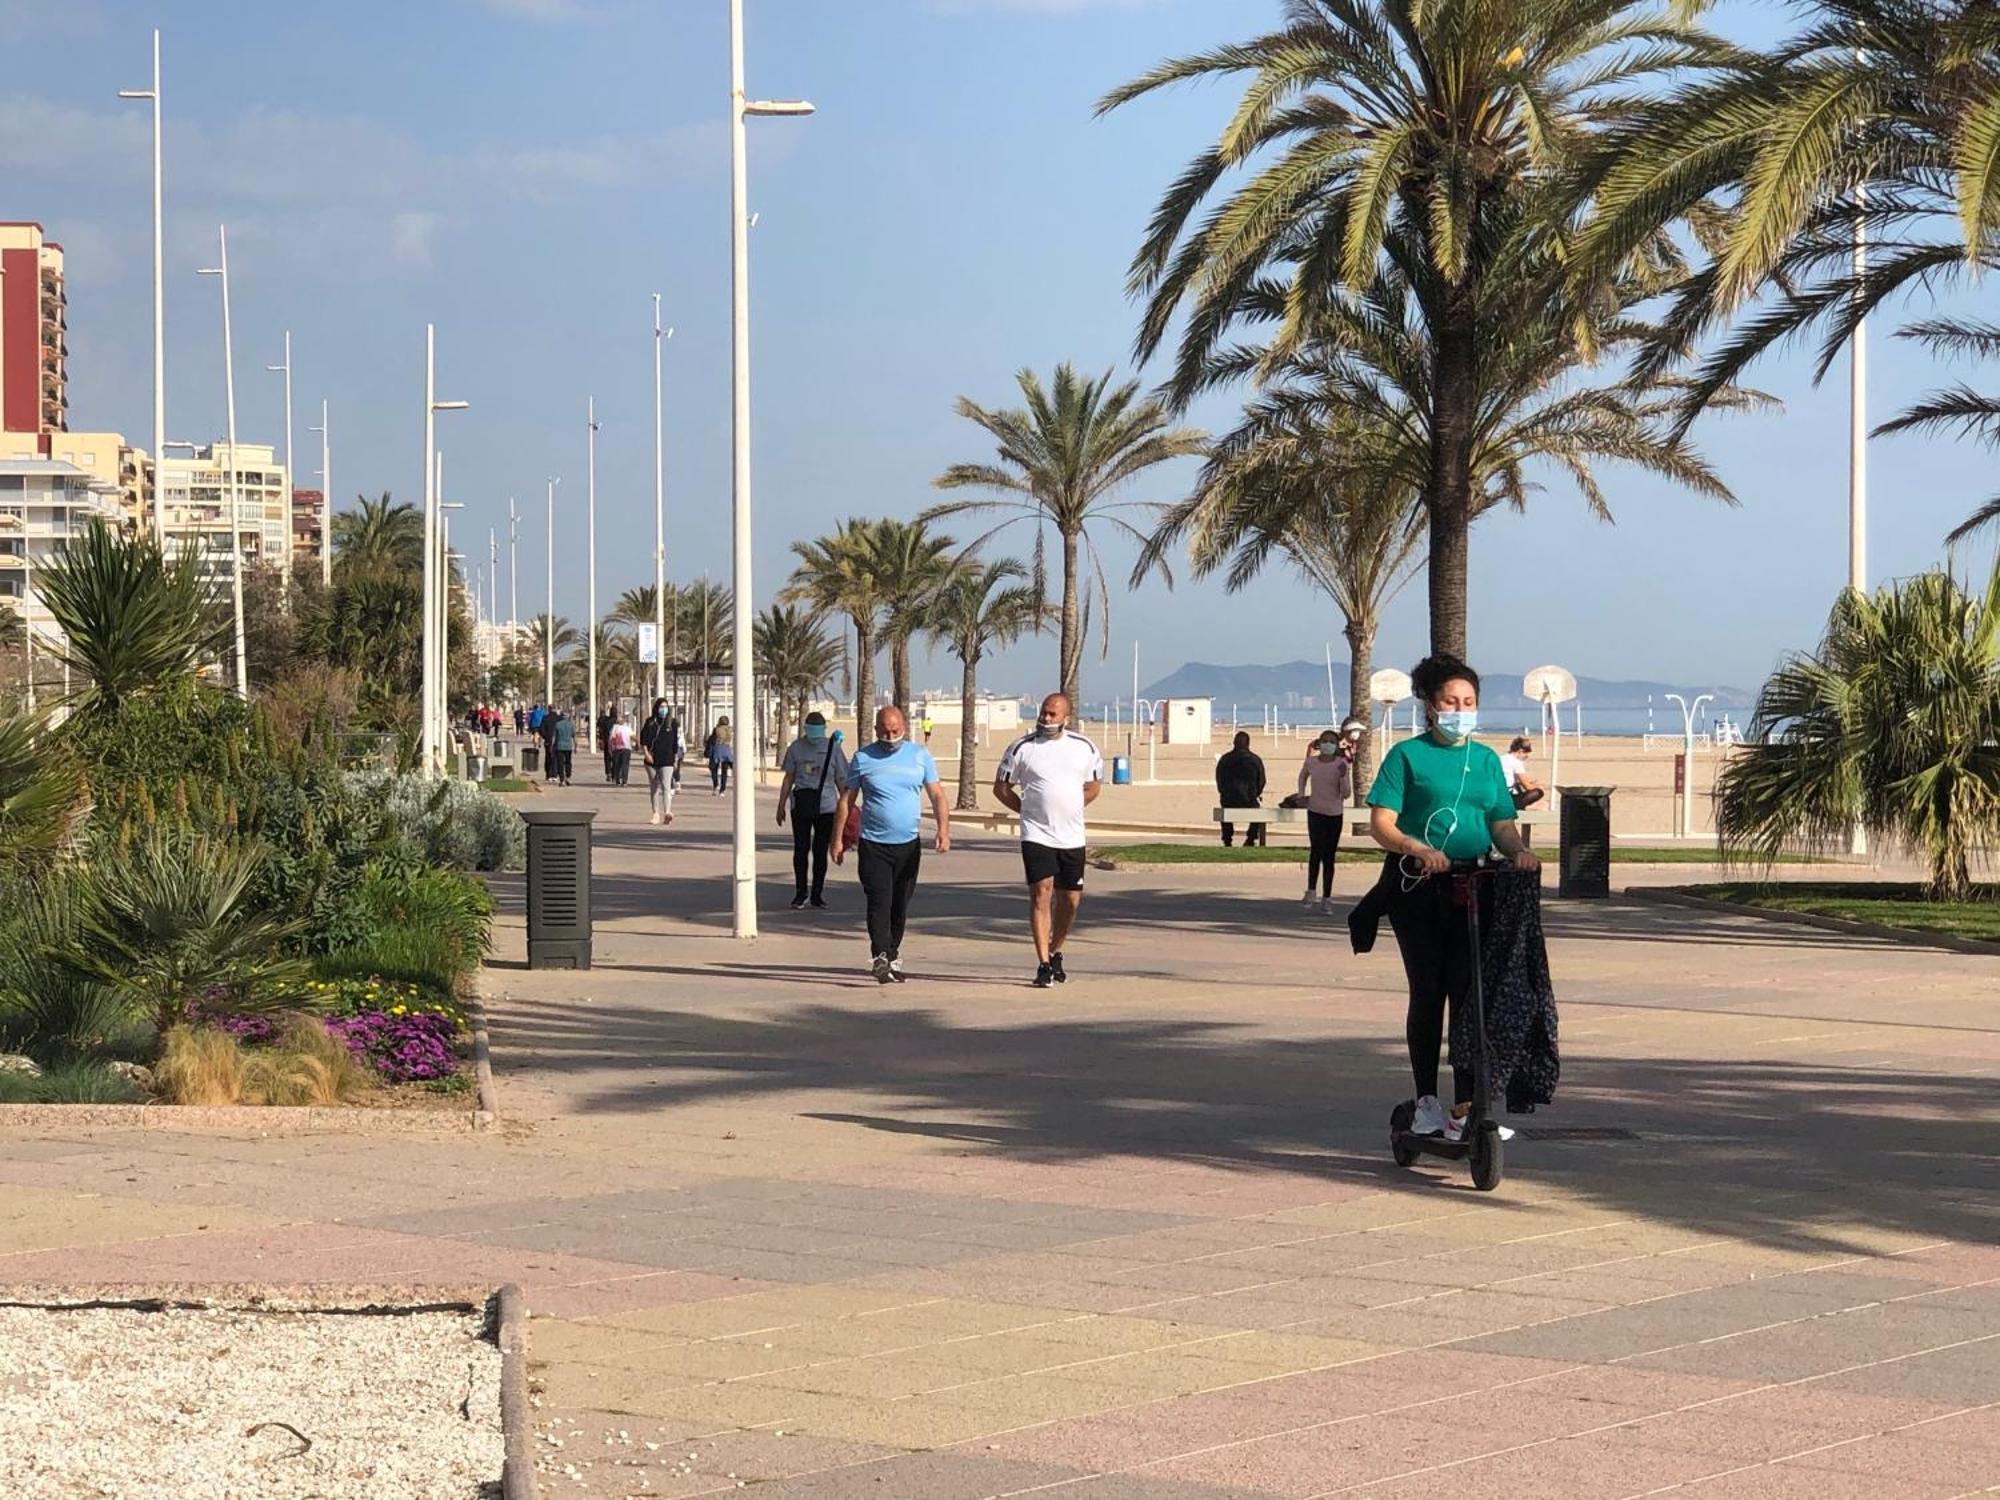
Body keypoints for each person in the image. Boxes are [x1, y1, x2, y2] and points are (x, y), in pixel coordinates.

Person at [1365, 654, 1539, 1142]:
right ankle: (1425, 1102)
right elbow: (1382, 822)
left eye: (1468, 702)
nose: (1459, 710)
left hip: (1474, 887)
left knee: (1470, 996)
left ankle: (1466, 1105)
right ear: (1430, 706)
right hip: (1417, 889)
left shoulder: (1484, 760)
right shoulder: (1407, 756)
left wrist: (1519, 852)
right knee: (1430, 990)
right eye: (1450, 702)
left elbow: (1500, 823)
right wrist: (1417, 848)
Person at [832, 706, 950, 984]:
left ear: (905, 729)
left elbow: (937, 795)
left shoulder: (920, 756)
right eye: (884, 731)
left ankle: (892, 954)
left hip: (908, 845)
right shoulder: (863, 758)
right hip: (873, 844)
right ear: (876, 730)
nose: (890, 736)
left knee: (899, 905)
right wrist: (837, 839)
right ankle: (880, 956)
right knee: (879, 901)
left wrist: (943, 830)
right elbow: (847, 800)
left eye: (895, 731)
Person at [994, 693, 1103, 987]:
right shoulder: (1022, 748)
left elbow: (1094, 786)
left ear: (1066, 718)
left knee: (1070, 900)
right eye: (1044, 712)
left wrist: (1074, 805)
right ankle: (1042, 963)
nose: (1046, 718)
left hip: (1071, 836)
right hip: (1036, 834)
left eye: (1053, 714)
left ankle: (1056, 951)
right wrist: (1025, 810)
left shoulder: (1084, 748)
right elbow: (1001, 787)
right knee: (1041, 892)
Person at [777, 712, 848, 910]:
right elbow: (789, 778)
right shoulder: (795, 748)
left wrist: (847, 807)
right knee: (801, 849)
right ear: (806, 728)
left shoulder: (833, 749)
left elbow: (842, 781)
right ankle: (801, 892)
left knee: (819, 851)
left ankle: (817, 893)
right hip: (801, 805)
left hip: (826, 808)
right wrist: (781, 805)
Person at [1297, 720, 1360, 910]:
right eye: (1324, 741)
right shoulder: (1312, 762)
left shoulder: (1341, 764)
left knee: (1329, 855)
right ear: (1319, 743)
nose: (1327, 745)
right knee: (1316, 851)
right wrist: (1301, 796)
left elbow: (1347, 793)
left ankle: (1327, 897)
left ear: (1336, 745)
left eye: (1331, 742)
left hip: (1334, 813)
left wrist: (1343, 776)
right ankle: (1311, 891)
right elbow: (1302, 776)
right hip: (1315, 811)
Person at [1215, 731, 1267, 847]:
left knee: (1225, 805)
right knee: (1258, 810)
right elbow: (1262, 781)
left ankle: (1227, 839)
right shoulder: (1255, 760)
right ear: (1248, 744)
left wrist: (1224, 792)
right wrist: (1256, 793)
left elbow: (1219, 780)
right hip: (1249, 800)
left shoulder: (1225, 759)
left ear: (1234, 743)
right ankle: (1251, 837)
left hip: (1228, 800)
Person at [640, 699, 680, 826]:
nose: (664, 709)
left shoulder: (672, 723)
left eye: (666, 707)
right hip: (651, 760)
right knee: (654, 787)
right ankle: (655, 813)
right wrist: (646, 754)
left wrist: (675, 758)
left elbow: (675, 743)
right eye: (661, 707)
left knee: (666, 786)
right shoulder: (650, 722)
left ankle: (667, 812)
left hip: (667, 759)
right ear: (656, 708)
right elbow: (643, 740)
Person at [1500, 736, 1544, 809]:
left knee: (1517, 786)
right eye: (1525, 755)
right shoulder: (1516, 762)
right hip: (1506, 795)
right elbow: (1527, 787)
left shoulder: (1502, 758)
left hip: (1496, 793)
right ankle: (1522, 806)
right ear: (1520, 752)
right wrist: (1538, 787)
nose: (1526, 757)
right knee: (1538, 792)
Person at [705, 717, 734, 794]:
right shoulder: (730, 730)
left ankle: (716, 785)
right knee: (724, 771)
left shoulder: (716, 729)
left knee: (714, 769)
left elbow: (711, 740)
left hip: (717, 750)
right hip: (727, 751)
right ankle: (722, 790)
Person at [549, 709, 577, 786]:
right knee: (568, 762)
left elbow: (554, 737)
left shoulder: (557, 724)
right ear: (568, 717)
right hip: (568, 747)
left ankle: (561, 779)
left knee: (560, 763)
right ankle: (568, 777)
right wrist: (576, 746)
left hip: (559, 746)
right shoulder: (571, 725)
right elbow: (574, 737)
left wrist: (551, 746)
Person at [607, 716, 634, 787]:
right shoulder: (627, 728)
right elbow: (632, 736)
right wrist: (638, 743)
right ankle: (624, 781)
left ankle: (618, 781)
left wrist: (610, 749)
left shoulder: (614, 728)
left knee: (617, 765)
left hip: (617, 749)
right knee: (625, 765)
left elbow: (611, 739)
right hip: (626, 748)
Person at [537, 706, 560, 782]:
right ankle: (555, 774)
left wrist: (545, 736)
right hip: (557, 741)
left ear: (548, 710)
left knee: (548, 757)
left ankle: (548, 774)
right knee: (556, 757)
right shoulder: (559, 718)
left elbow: (541, 729)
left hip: (548, 740)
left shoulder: (545, 718)